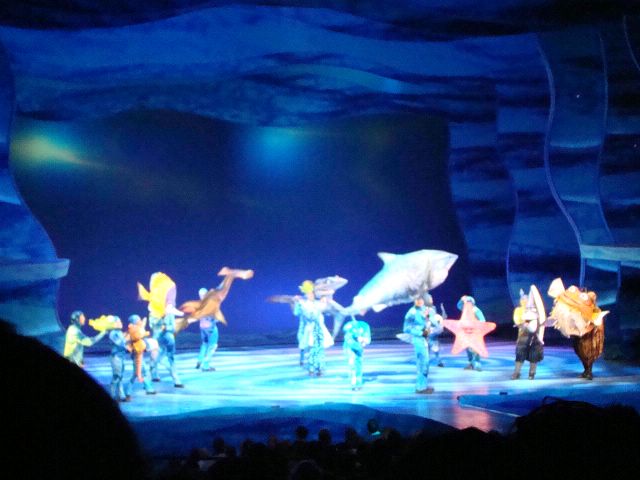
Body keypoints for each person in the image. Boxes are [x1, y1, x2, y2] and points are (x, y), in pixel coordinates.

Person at [138, 272, 184, 387]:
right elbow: (166, 312)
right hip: (162, 332)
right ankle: (157, 376)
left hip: (164, 331)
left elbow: (166, 322)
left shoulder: (156, 298)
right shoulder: (168, 288)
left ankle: (169, 377)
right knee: (161, 354)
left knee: (163, 353)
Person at [294, 280, 333, 376]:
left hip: (320, 329)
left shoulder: (318, 303)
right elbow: (297, 313)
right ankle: (311, 368)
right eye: (308, 293)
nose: (310, 295)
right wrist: (297, 303)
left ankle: (320, 368)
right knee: (311, 349)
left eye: (311, 293)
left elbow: (327, 309)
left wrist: (328, 298)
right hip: (310, 329)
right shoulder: (303, 304)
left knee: (320, 350)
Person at [511, 286, 545, 380]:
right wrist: (523, 324)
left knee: (534, 356)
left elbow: (541, 323)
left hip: (535, 337)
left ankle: (532, 373)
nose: (525, 301)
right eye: (523, 300)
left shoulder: (537, 312)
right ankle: (516, 373)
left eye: (526, 299)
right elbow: (518, 321)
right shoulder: (519, 311)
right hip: (523, 336)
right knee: (520, 355)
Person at [403, 297, 433, 394]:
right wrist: (420, 333)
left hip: (426, 339)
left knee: (426, 363)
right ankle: (420, 387)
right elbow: (406, 328)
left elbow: (431, 322)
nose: (419, 301)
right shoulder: (411, 312)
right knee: (422, 362)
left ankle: (423, 385)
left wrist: (429, 327)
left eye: (421, 299)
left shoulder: (426, 310)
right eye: (417, 299)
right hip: (418, 339)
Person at [126, 314, 157, 396]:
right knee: (141, 373)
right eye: (138, 320)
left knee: (140, 373)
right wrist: (144, 333)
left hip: (138, 353)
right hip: (136, 354)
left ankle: (146, 388)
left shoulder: (136, 328)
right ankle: (148, 389)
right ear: (135, 321)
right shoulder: (133, 329)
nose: (139, 321)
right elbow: (137, 336)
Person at [457, 295, 486, 371]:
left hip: (475, 333)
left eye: (466, 302)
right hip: (467, 333)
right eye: (464, 303)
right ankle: (471, 363)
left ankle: (477, 363)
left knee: (475, 348)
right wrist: (461, 300)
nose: (465, 304)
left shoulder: (476, 310)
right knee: (468, 348)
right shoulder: (466, 310)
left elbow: (483, 320)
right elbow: (458, 306)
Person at [342, 315, 371, 390]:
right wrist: (355, 336)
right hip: (349, 345)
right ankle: (353, 383)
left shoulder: (365, 326)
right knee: (352, 364)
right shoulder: (349, 326)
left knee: (358, 364)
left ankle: (358, 382)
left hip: (358, 347)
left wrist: (363, 340)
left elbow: (367, 340)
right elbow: (346, 333)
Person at [195, 287, 219, 372]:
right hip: (210, 327)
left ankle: (199, 360)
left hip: (202, 327)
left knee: (204, 344)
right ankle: (206, 365)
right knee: (213, 346)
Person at [107, 316, 129, 402]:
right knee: (116, 376)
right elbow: (119, 343)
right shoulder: (113, 333)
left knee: (121, 377)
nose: (121, 323)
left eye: (120, 321)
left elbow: (124, 342)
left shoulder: (119, 332)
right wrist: (126, 338)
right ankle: (112, 395)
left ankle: (121, 395)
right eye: (118, 322)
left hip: (121, 356)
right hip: (116, 357)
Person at [424, 294, 445, 367]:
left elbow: (430, 322)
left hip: (431, 332)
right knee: (432, 347)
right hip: (431, 332)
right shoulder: (428, 310)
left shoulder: (432, 313)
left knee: (429, 347)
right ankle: (438, 361)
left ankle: (433, 361)